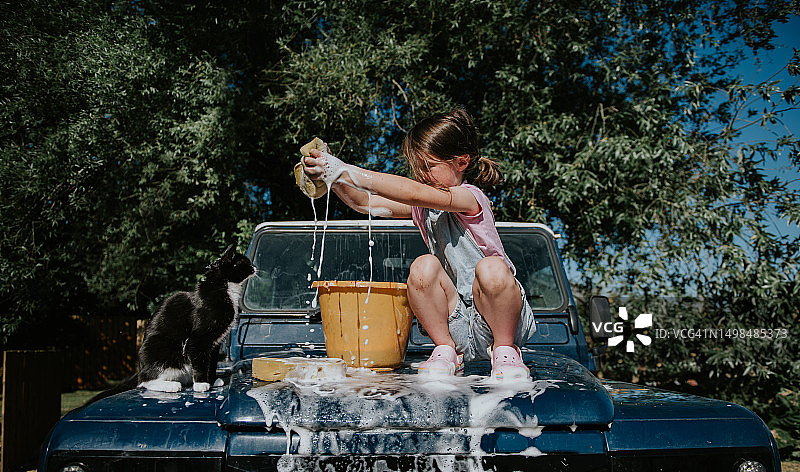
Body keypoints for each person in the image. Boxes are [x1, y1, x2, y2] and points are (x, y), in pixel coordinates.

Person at [302, 108, 536, 380]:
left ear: (461, 162)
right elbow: (364, 202)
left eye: (429, 166)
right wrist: (335, 177)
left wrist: (345, 168)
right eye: (417, 168)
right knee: (424, 265)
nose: (422, 175)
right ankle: (445, 349)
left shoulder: (470, 198)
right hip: (457, 319)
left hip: (499, 317)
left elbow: (415, 192)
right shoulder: (422, 209)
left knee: (492, 268)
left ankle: (507, 350)